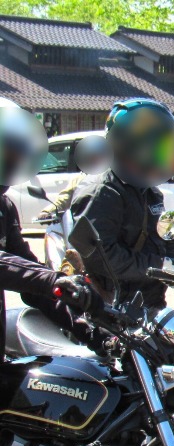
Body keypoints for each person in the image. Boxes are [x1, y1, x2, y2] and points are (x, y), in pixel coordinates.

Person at [0, 98, 102, 358]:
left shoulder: (4, 206)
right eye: (7, 152)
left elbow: (27, 273)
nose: (13, 160)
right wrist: (51, 280)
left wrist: (90, 330)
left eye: (17, 153)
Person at [70, 98, 174, 309]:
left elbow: (163, 241)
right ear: (125, 147)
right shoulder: (102, 192)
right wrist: (159, 266)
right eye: (150, 149)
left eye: (164, 150)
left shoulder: (150, 192)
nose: (158, 157)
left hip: (150, 303)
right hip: (112, 309)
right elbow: (101, 256)